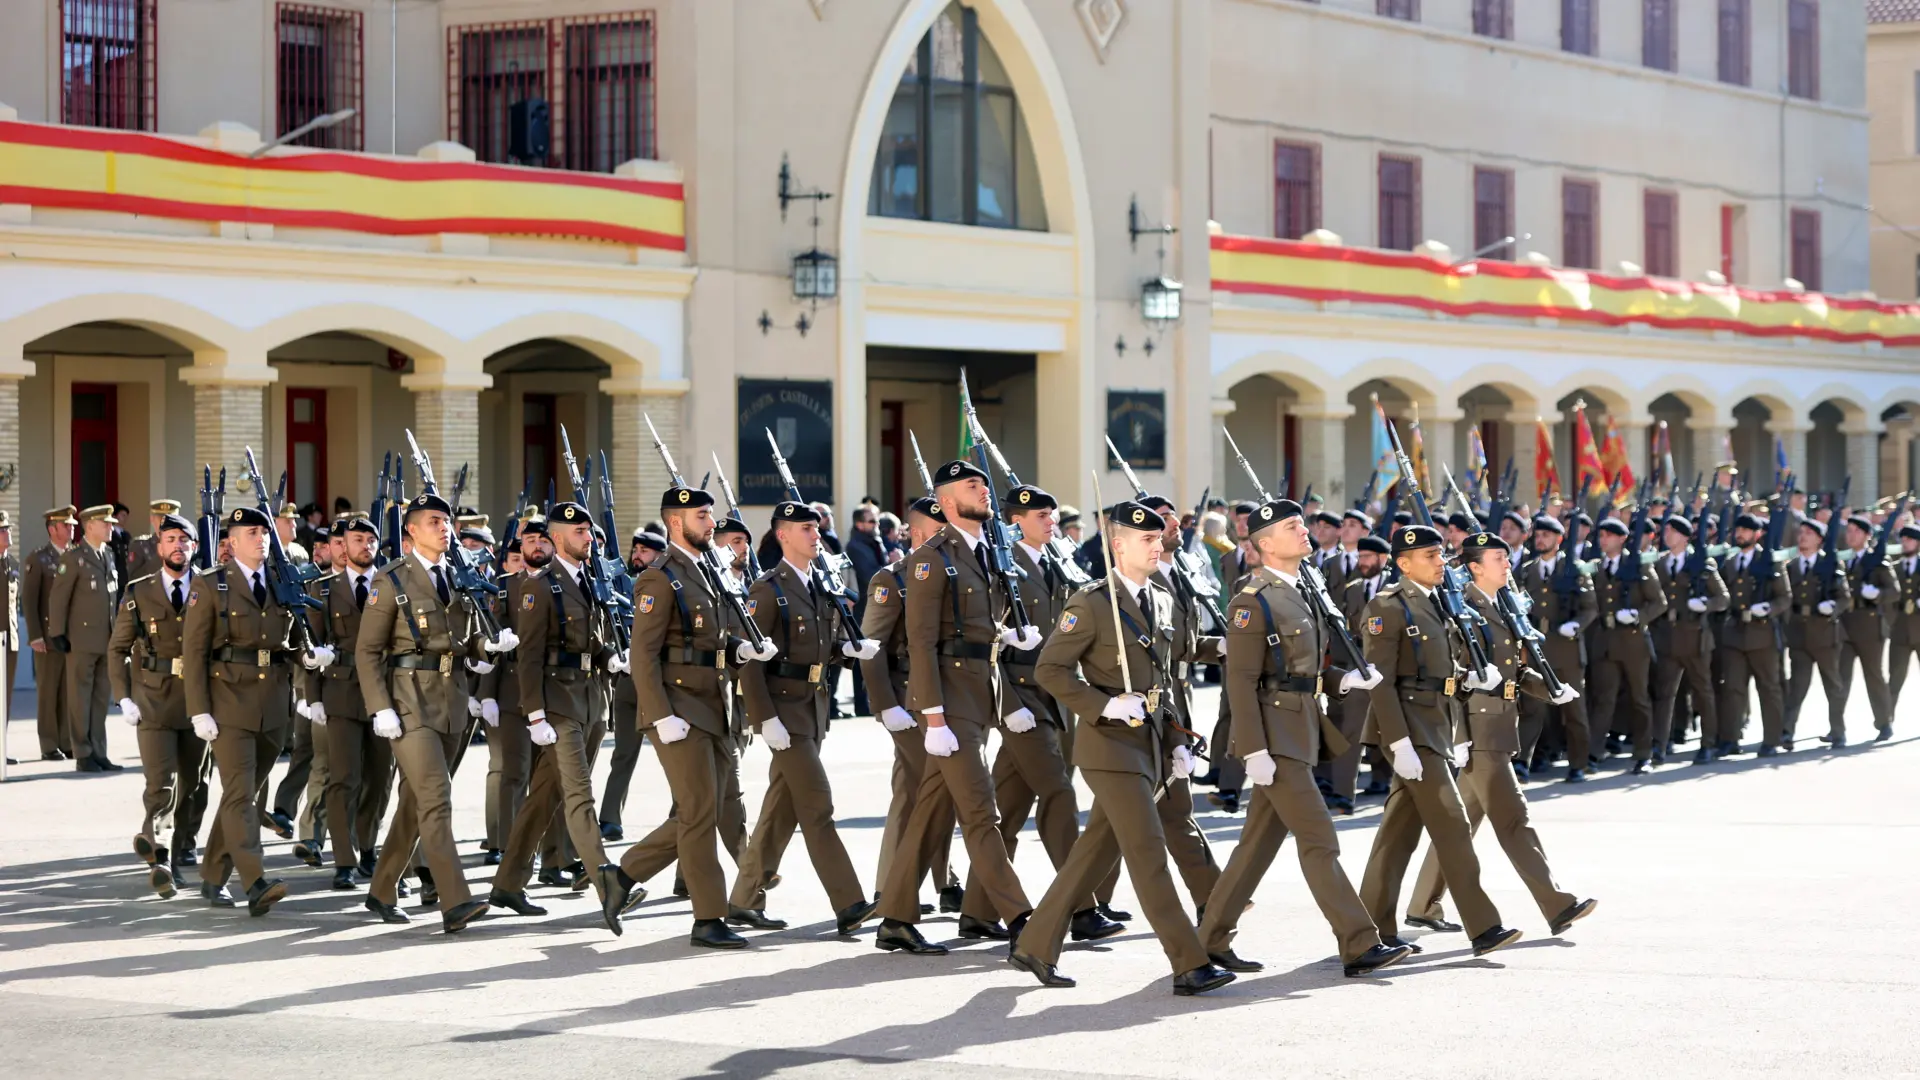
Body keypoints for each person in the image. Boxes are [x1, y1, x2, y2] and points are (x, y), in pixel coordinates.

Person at [1008, 500, 1235, 996]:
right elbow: (1050, 669)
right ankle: (1190, 963)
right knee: (1148, 852)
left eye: (1159, 538)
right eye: (1146, 540)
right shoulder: (1091, 602)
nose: (1157, 546)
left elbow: (1165, 681)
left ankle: (1033, 943)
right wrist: (1102, 706)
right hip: (1109, 747)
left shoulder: (1160, 598)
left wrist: (1177, 738)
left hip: (1150, 741)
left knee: (1090, 856)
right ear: (1118, 545)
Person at [1191, 498, 1410, 978]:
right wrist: (1251, 750)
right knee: (1319, 838)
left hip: (1302, 729)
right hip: (1275, 737)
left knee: (1255, 847)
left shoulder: (1302, 590)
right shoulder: (1253, 599)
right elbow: (1242, 681)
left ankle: (1207, 942)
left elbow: (1302, 672)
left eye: (1302, 524)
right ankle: (1359, 941)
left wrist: (1344, 681)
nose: (1305, 531)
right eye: (1293, 527)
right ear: (1266, 544)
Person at [872, 459, 1039, 956]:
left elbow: (977, 632)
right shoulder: (930, 558)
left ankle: (895, 919)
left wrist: (1009, 635)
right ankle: (1023, 919)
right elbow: (921, 642)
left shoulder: (986, 552)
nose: (984, 490)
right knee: (979, 812)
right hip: (948, 700)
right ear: (946, 502)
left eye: (984, 483)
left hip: (978, 694)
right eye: (972, 485)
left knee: (932, 807)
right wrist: (933, 717)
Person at [1406, 532, 1596, 937]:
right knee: (1514, 820)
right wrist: (1457, 736)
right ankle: (1556, 904)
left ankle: (1423, 904)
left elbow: (1509, 672)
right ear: (1474, 566)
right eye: (1497, 557)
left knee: (1458, 825)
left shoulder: (1500, 605)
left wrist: (1550, 689)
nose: (1507, 563)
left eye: (1506, 557)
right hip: (1478, 731)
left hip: (1498, 724)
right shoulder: (1462, 608)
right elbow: (1453, 675)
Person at [598, 487, 763, 947]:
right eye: (703, 516)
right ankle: (707, 918)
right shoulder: (659, 577)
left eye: (710, 515)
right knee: (696, 813)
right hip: (679, 707)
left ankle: (622, 876)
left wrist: (741, 649)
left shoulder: (708, 572)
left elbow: (710, 641)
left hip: (715, 704)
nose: (712, 524)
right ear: (676, 523)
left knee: (702, 812)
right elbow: (644, 654)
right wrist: (659, 713)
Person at [1356, 524, 1522, 959]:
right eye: (1429, 556)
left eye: (1440, 555)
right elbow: (1381, 682)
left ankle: (1369, 928)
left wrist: (1470, 678)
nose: (1439, 563)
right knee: (1452, 824)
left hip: (1437, 727)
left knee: (1397, 834)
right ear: (1403, 562)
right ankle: (1483, 926)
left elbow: (1439, 672)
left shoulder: (1438, 605)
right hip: (1412, 730)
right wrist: (1398, 742)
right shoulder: (1387, 607)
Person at [357, 490, 514, 932]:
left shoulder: (458, 578)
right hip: (408, 703)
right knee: (436, 799)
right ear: (411, 530)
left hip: (451, 700)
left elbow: (461, 642)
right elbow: (368, 652)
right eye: (433, 522)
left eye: (447, 523)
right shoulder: (392, 580)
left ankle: (383, 887)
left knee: (416, 801)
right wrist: (380, 708)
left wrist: (487, 647)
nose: (444, 529)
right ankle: (455, 900)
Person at [723, 502, 881, 936]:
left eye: (816, 527)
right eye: (806, 529)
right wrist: (763, 718)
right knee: (817, 805)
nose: (816, 535)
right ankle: (849, 902)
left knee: (781, 808)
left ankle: (743, 899)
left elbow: (818, 646)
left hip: (813, 708)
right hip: (784, 711)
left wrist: (846, 652)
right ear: (782, 536)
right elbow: (750, 662)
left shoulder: (818, 584)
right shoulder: (768, 588)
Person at [975, 484, 1121, 942]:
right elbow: (988, 646)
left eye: (1052, 514)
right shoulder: (1002, 565)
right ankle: (1080, 908)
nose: (1051, 521)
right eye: (1041, 515)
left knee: (1010, 808)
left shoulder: (1056, 561)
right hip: (1020, 696)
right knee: (1058, 794)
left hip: (1054, 696)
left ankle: (976, 910)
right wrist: (1008, 705)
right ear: (1015, 520)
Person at [184, 504, 333, 916]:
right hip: (228, 703)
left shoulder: (281, 580)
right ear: (231, 542)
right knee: (242, 795)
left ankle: (213, 876)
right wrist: (199, 710)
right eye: (250, 533)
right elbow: (194, 653)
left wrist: (310, 658)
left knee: (240, 796)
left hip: (273, 706)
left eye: (264, 532)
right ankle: (254, 880)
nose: (260, 538)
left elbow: (293, 641)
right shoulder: (211, 585)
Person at [486, 501, 626, 930]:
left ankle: (507, 884)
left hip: (589, 700)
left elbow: (589, 639)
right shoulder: (540, 586)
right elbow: (528, 656)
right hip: (557, 703)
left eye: (589, 531)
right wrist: (534, 715)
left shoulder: (588, 581)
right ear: (558, 537)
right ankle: (608, 883)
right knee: (580, 792)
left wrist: (609, 658)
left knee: (545, 796)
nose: (589, 538)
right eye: (580, 531)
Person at [860, 496, 963, 914]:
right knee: (918, 788)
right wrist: (887, 706)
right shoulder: (893, 580)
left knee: (936, 788)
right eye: (939, 531)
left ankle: (943, 878)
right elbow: (870, 649)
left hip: (944, 692)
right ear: (917, 533)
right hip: (906, 698)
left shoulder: (951, 573)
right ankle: (890, 887)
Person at [108, 512, 201, 898]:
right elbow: (117, 648)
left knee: (193, 786)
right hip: (153, 699)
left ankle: (178, 850)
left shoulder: (210, 589)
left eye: (185, 540)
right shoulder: (140, 590)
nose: (177, 546)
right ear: (159, 546)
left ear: (195, 547)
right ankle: (161, 859)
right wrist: (124, 697)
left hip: (199, 703)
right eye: (170, 539)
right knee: (160, 783)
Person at [310, 515, 393, 889]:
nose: (364, 546)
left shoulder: (390, 585)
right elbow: (309, 645)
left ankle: (368, 847)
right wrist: (311, 697)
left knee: (379, 779)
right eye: (356, 539)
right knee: (344, 779)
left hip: (384, 694)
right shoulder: (324, 589)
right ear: (342, 545)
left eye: (369, 540)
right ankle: (344, 859)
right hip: (341, 694)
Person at [478, 522, 544, 867]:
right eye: (528, 540)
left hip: (550, 689)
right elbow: (492, 645)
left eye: (540, 539)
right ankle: (506, 845)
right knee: (514, 772)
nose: (534, 545)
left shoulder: (563, 583)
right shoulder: (504, 589)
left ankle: (545, 849)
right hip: (512, 688)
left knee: (544, 776)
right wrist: (486, 693)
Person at [1585, 518, 1668, 774]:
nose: (1603, 540)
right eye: (1601, 536)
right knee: (1603, 699)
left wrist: (1637, 616)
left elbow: (1659, 602)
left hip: (1633, 641)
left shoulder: (1639, 566)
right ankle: (1593, 754)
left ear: (1622, 539)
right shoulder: (1597, 568)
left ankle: (1644, 754)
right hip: (1606, 640)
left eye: (1609, 536)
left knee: (1639, 698)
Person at [1516, 516, 1597, 781]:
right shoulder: (1527, 570)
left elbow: (1590, 607)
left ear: (1559, 539)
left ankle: (1578, 763)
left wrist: (1576, 624)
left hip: (1567, 648)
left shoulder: (1575, 569)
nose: (1540, 539)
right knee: (1532, 708)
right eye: (1537, 535)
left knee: (1573, 709)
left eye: (1546, 535)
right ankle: (1522, 762)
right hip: (1537, 646)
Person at [47, 504, 123, 772]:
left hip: (106, 638)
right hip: (80, 638)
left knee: (101, 698)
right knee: (80, 697)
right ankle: (82, 752)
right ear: (89, 526)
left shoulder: (109, 554)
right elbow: (59, 598)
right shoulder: (74, 557)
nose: (111, 527)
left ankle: (99, 751)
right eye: (106, 523)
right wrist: (57, 632)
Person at [1650, 517, 1730, 765]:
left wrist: (1705, 604)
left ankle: (1707, 744)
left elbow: (1724, 597)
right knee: (1664, 694)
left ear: (1685, 536)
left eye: (1673, 531)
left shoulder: (1702, 563)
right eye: (1667, 530)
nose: (1668, 535)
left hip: (1695, 635)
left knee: (1702, 692)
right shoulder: (1660, 563)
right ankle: (1659, 746)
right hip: (1667, 636)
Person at [1323, 534, 1391, 809]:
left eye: (1368, 557)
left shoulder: (1395, 588)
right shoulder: (1352, 589)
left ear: (1382, 559)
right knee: (1351, 731)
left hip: (1390, 670)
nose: (1362, 562)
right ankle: (1343, 793)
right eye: (1360, 557)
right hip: (1359, 668)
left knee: (1394, 733)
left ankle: (1402, 788)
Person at [1717, 514, 1791, 756]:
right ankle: (1730, 738)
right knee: (1733, 688)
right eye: (1738, 529)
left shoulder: (1771, 561)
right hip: (1734, 633)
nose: (1740, 533)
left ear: (1757, 534)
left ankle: (1771, 739)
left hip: (1762, 634)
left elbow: (1784, 597)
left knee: (1768, 688)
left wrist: (1768, 608)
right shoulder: (1730, 562)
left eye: (1746, 530)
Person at [1782, 518, 1851, 751]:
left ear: (1819, 539)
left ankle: (1838, 732)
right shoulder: (1791, 567)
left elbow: (1845, 597)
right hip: (1799, 635)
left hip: (1825, 633)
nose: (1803, 537)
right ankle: (1787, 732)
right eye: (1801, 532)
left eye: (1809, 533)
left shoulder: (1831, 564)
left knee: (1833, 685)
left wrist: (1832, 607)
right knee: (1797, 687)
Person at [1840, 514, 1896, 743]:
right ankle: (1837, 728)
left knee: (1873, 676)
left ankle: (1884, 722)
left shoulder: (1879, 561)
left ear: (1866, 535)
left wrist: (1878, 594)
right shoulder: (1844, 562)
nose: (1851, 535)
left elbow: (1894, 592)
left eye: (1856, 531)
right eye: (1849, 530)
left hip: (1870, 624)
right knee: (1840, 678)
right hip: (1845, 625)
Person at [1885, 525, 1920, 730]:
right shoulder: (1893, 568)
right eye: (1903, 540)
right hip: (1898, 630)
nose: (1905, 543)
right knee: (1895, 677)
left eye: (1909, 540)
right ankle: (1886, 719)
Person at [124, 498, 184, 583]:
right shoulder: (140, 545)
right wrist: (159, 557)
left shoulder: (185, 545)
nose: (165, 524)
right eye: (161, 519)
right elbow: (133, 579)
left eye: (170, 520)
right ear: (152, 519)